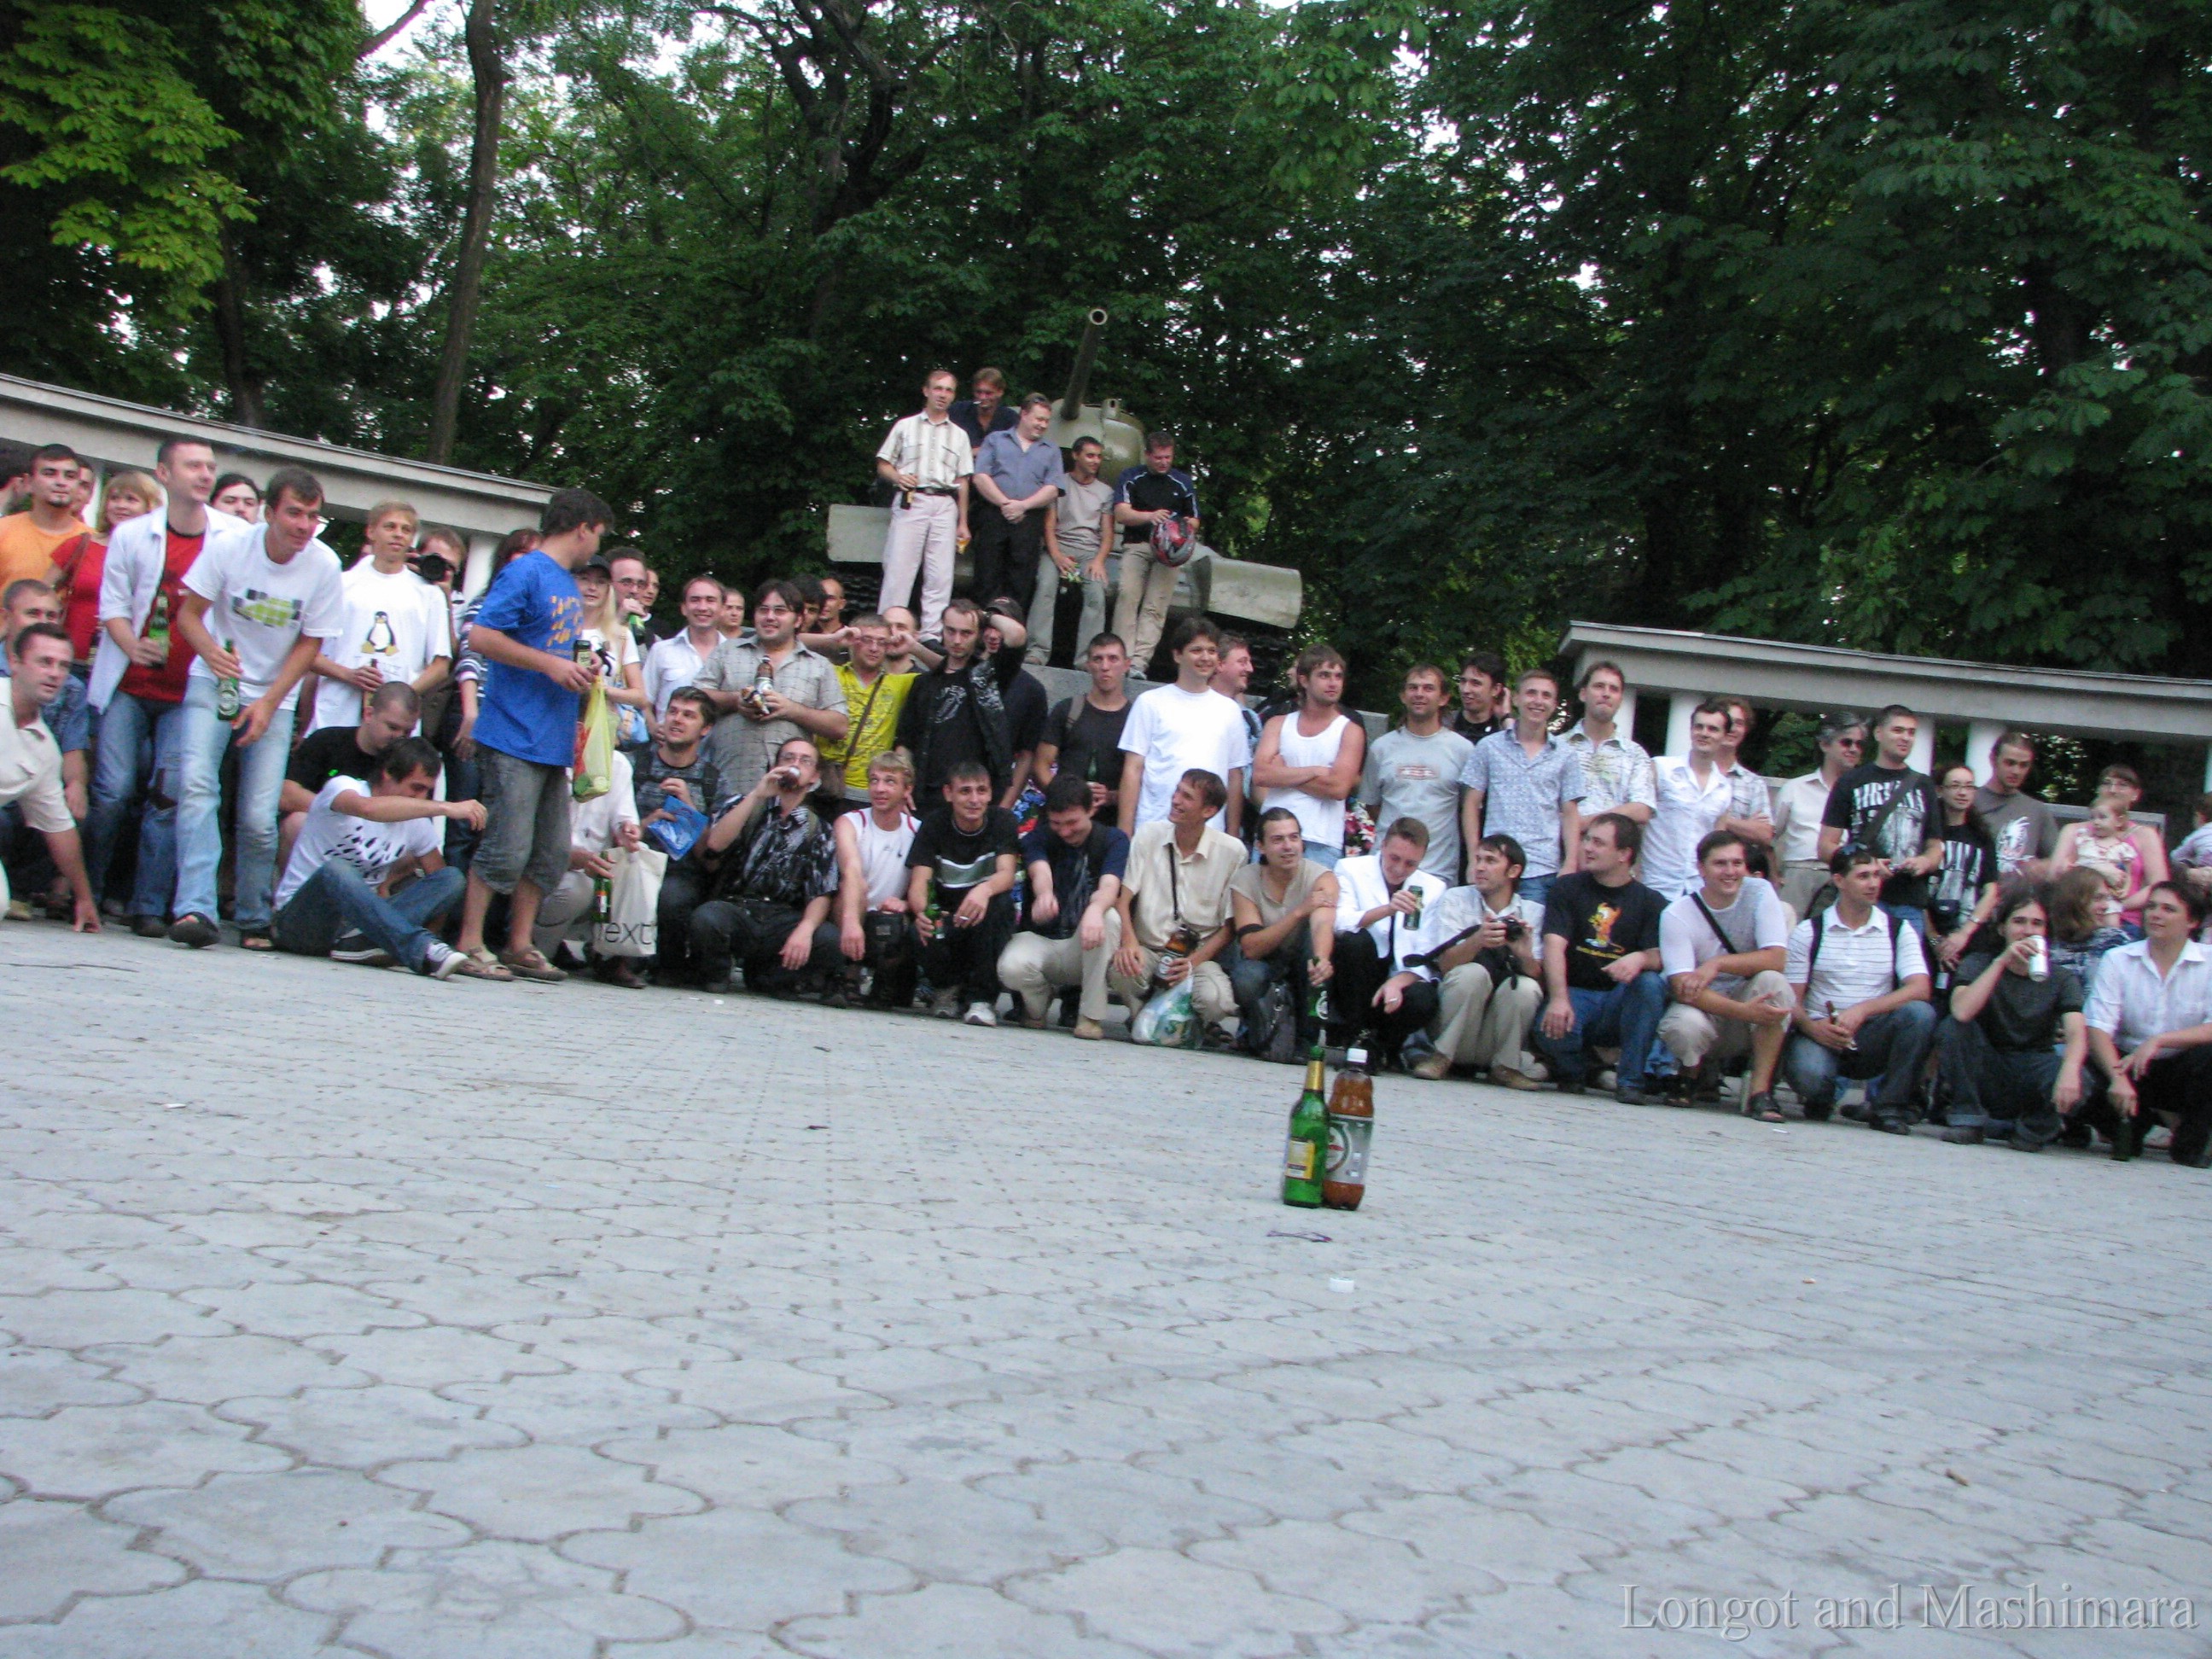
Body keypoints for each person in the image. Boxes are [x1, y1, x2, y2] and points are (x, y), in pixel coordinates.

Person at [168, 467, 347, 951]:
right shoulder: (229, 547)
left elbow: (311, 643)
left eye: (312, 516)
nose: (304, 525)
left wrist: (270, 701)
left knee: (257, 813)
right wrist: (211, 653)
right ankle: (196, 908)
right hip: (215, 682)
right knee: (197, 788)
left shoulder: (324, 565)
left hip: (276, 692)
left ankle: (252, 914)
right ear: (269, 513)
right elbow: (188, 614)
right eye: (294, 513)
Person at [451, 486, 613, 982]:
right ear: (582, 528)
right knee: (506, 845)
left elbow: (553, 649)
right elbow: (481, 636)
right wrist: (549, 664)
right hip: (512, 733)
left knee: (548, 852)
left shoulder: (565, 584)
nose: (597, 546)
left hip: (552, 737)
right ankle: (470, 942)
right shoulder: (524, 571)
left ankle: (520, 944)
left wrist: (581, 668)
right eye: (598, 535)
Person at [84, 438, 244, 930]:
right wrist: (131, 645)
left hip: (190, 689)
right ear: (164, 473)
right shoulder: (133, 534)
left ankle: (148, 906)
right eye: (193, 466)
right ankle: (85, 889)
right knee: (112, 791)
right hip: (129, 684)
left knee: (168, 798)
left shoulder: (233, 535)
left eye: (210, 466)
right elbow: (112, 604)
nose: (205, 474)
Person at [270, 736, 494, 979]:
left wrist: (432, 927)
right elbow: (366, 808)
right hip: (303, 922)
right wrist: (445, 808)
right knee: (337, 869)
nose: (422, 798)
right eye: (416, 788)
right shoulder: (344, 786)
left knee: (451, 878)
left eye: (428, 791)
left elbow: (439, 883)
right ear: (388, 774)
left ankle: (364, 944)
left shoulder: (417, 821)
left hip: (360, 926)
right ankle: (420, 948)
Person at [1781, 845, 1937, 1132]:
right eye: (1863, 876)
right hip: (1822, 1032)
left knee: (1920, 1015)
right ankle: (1821, 1097)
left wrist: (1863, 1010)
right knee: (1810, 1075)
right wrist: (1813, 1028)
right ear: (1839, 880)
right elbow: (1791, 999)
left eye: (1876, 875)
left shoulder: (1898, 930)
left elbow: (1920, 988)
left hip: (1873, 1033)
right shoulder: (1809, 931)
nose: (1874, 884)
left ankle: (1889, 1108)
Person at [1937, 886, 2087, 1150]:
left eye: (2037, 924)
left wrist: (2071, 1070)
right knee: (1953, 1027)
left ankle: (2031, 1131)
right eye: (2019, 921)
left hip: (2033, 1065)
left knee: (2082, 1076)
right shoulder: (1979, 963)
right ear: (2002, 928)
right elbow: (1961, 1011)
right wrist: (2001, 963)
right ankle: (1968, 1120)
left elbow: (2076, 1031)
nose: (2028, 930)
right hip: (1988, 1065)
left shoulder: (2062, 978)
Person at [1656, 830, 1793, 1117]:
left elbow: (1776, 958)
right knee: (1683, 1026)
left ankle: (1760, 1091)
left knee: (1774, 983)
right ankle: (1690, 1072)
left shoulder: (1760, 892)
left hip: (1746, 998)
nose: (1730, 872)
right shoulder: (1677, 914)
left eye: (1737, 863)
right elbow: (1682, 988)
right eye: (1720, 864)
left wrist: (1717, 964)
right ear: (1701, 869)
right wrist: (1743, 1011)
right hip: (1707, 1007)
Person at [687, 736, 838, 995]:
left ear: (814, 777)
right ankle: (716, 973)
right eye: (788, 758)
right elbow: (715, 844)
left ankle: (769, 976)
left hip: (783, 916)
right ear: (775, 766)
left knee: (828, 939)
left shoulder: (820, 829)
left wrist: (805, 929)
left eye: (805, 761)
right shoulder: (745, 804)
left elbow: (822, 891)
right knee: (707, 918)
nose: (795, 764)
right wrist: (757, 794)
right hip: (738, 907)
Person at [1533, 813, 1668, 1103]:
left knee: (1650, 984)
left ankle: (1630, 1081)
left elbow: (1660, 957)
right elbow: (1553, 945)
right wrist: (1558, 999)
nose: (1587, 848)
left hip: (1619, 999)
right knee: (1549, 1027)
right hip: (1575, 993)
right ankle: (1577, 1071)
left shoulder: (1650, 902)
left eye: (1598, 843)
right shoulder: (1567, 888)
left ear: (1624, 854)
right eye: (1587, 840)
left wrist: (1640, 959)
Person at [2082, 881, 2212, 1165]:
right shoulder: (2118, 959)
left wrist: (2159, 1040)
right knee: (2084, 1065)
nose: (2155, 914)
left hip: (2183, 1069)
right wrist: (2117, 1078)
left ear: (2192, 921)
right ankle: (2130, 1126)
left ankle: (2191, 1142)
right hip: (2129, 1065)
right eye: (2151, 907)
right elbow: (2098, 1027)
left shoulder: (2209, 963)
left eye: (2168, 909)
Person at [1109, 768, 1243, 1038]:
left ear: (1209, 811)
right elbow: (1123, 898)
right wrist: (1129, 941)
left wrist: (1192, 963)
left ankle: (1187, 1021)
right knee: (1122, 970)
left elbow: (1230, 926)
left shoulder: (1232, 852)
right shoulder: (1149, 834)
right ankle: (1142, 1015)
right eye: (1177, 791)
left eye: (1187, 797)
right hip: (1149, 947)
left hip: (1197, 955)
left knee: (1218, 1002)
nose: (1176, 800)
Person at [998, 773, 1129, 1033]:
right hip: (1043, 940)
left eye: (1072, 822)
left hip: (1085, 944)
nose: (1065, 832)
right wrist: (1045, 895)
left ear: (1091, 810)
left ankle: (1090, 1016)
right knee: (1010, 967)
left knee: (1109, 917)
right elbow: (1040, 871)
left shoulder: (1114, 840)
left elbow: (1110, 886)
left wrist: (1095, 909)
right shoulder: (1037, 837)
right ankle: (1037, 1003)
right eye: (1057, 823)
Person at [696, 579, 847, 804]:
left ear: (798, 619)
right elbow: (696, 697)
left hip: (788, 790)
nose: (770, 617)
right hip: (727, 780)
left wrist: (792, 710)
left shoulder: (818, 665)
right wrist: (736, 700)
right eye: (763, 610)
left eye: (780, 611)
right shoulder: (728, 651)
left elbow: (840, 726)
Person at [307, 500, 451, 734]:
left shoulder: (429, 594)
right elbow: (310, 653)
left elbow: (440, 665)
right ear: (371, 531)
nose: (398, 534)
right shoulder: (342, 584)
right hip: (338, 713)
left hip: (396, 723)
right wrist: (349, 674)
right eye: (390, 526)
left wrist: (399, 696)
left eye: (406, 530)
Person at [1412, 833, 1545, 1086]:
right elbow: (1444, 966)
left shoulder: (1533, 912)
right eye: (1478, 859)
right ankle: (1441, 1057)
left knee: (1526, 987)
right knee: (1472, 973)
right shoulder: (1455, 898)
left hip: (1493, 1035)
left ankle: (1506, 1067)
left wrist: (1524, 955)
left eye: (1491, 861)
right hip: (1454, 1028)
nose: (1480, 867)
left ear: (1513, 871)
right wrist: (1477, 940)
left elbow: (1540, 980)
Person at [908, 759, 1022, 1023]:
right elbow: (919, 883)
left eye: (981, 791)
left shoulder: (1002, 821)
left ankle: (982, 1000)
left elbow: (1006, 874)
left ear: (990, 794)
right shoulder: (934, 824)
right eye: (965, 791)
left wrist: (984, 890)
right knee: (919, 929)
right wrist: (923, 912)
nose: (974, 800)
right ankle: (947, 990)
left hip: (984, 918)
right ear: (948, 793)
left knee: (1001, 905)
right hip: (948, 917)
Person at [1458, 667, 1583, 908]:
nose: (1538, 701)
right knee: (1487, 930)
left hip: (1541, 869)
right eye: (1531, 693)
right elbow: (1471, 804)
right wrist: (1475, 857)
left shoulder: (1566, 755)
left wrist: (1570, 863)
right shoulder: (1489, 747)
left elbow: (1570, 813)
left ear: (1554, 704)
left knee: (1528, 932)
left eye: (1546, 695)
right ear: (1516, 698)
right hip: (1494, 865)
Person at [0, 624, 97, 930]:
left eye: (63, 666)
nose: (55, 674)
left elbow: (60, 830)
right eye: (45, 662)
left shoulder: (44, 750)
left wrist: (84, 898)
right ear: (14, 662)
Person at [1329, 817, 1450, 1063]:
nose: (1399, 869)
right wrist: (1387, 910)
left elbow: (1428, 952)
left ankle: (1385, 1045)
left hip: (1400, 972)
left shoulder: (1433, 888)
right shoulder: (1350, 869)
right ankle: (1357, 1036)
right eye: (1394, 858)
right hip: (1360, 970)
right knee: (1355, 943)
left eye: (1410, 863)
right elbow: (1340, 922)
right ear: (1382, 846)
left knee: (1423, 998)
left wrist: (1398, 982)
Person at [1116, 618, 1251, 837]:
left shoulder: (1230, 710)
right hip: (1154, 828)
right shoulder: (1150, 702)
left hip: (1210, 834)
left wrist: (1233, 833)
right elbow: (1133, 769)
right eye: (1196, 650)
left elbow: (1235, 776)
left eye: (1212, 651)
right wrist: (1124, 832)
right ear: (1177, 655)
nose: (1205, 657)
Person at [527, 746, 649, 987]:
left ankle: (611, 955)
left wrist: (627, 832)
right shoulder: (549, 755)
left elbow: (625, 818)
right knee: (577, 888)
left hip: (596, 867)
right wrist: (569, 857)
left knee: (636, 857)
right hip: (549, 874)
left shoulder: (617, 763)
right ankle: (538, 951)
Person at [1818, 704, 1943, 932]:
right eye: (1898, 730)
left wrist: (1925, 862)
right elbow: (1826, 846)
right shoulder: (1851, 781)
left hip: (1909, 900)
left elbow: (1935, 847)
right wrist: (1868, 865)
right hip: (1860, 900)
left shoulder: (1924, 785)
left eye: (1911, 732)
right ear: (1878, 733)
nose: (1905, 738)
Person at [1227, 806, 1340, 1056]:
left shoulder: (1322, 877)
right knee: (1246, 977)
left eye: (1294, 837)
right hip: (1265, 960)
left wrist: (1321, 959)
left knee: (1316, 955)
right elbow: (1251, 947)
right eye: (1278, 840)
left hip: (1301, 958)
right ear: (1261, 846)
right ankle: (1254, 1030)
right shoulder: (1246, 879)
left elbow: (1323, 924)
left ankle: (1307, 1040)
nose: (1288, 847)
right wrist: (1298, 912)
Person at [893, 596, 1030, 800]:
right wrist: (903, 784)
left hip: (972, 795)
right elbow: (905, 742)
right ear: (942, 631)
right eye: (951, 631)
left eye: (966, 633)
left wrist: (982, 616)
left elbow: (1017, 635)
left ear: (978, 635)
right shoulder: (923, 683)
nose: (957, 640)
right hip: (926, 794)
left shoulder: (987, 677)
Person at [279, 682, 422, 869]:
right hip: (323, 834)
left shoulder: (408, 763)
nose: (399, 737)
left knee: (416, 846)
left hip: (376, 844)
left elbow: (418, 814)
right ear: (368, 714)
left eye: (407, 732)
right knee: (295, 823)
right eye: (392, 727)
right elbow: (287, 795)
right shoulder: (327, 741)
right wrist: (348, 813)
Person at [876, 368, 974, 638]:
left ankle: (932, 635)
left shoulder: (960, 435)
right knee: (899, 570)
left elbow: (963, 481)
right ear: (926, 391)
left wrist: (963, 522)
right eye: (938, 388)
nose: (943, 394)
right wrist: (898, 477)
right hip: (912, 499)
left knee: (940, 575)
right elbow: (883, 463)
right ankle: (887, 630)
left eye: (949, 390)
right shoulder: (905, 426)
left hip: (945, 503)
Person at [634, 687, 721, 984]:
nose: (677, 720)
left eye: (688, 715)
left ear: (705, 729)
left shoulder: (713, 781)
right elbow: (611, 831)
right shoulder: (635, 765)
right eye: (672, 711)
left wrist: (690, 811)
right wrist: (645, 824)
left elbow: (711, 859)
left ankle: (670, 965)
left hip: (682, 872)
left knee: (672, 897)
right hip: (634, 862)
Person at [1251, 645, 1365, 870]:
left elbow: (1338, 788)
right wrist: (1315, 771)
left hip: (1321, 841)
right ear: (1304, 680)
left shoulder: (1350, 730)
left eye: (1338, 676)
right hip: (1273, 834)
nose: (1333, 683)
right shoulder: (1278, 724)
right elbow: (1261, 775)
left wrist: (1283, 773)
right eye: (1324, 675)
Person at [824, 750, 921, 1009]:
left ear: (907, 789)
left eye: (890, 782)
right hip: (849, 909)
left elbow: (924, 885)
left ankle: (886, 981)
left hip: (889, 917)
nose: (880, 789)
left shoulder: (917, 831)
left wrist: (906, 904)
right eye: (874, 781)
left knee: (903, 917)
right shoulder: (850, 822)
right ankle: (847, 976)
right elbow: (851, 871)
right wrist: (851, 923)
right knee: (855, 888)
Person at [1361, 664, 1474, 883]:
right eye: (1413, 688)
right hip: (1386, 869)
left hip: (1437, 871)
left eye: (1428, 688)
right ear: (1403, 696)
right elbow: (1372, 805)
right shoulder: (1381, 748)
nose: (1419, 694)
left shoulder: (1463, 750)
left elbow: (1468, 809)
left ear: (1443, 698)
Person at [46, 469, 159, 671]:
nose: (121, 505)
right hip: (68, 661)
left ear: (149, 507)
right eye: (114, 498)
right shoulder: (80, 545)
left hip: (124, 663)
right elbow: (41, 594)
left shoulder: (157, 555)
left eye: (131, 499)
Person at [969, 393, 1066, 621]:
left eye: (1046, 421)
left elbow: (1053, 487)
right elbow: (980, 476)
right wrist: (1005, 503)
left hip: (1029, 520)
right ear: (1023, 414)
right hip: (993, 515)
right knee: (986, 575)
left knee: (1021, 580)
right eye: (1038, 419)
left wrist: (1023, 506)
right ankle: (984, 629)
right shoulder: (995, 440)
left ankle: (1011, 630)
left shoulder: (1051, 450)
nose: (1043, 425)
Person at [1110, 433, 1201, 673]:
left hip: (1170, 552)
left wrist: (1178, 528)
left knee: (1156, 606)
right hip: (1138, 544)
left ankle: (1139, 662)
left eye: (1168, 457)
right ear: (1147, 455)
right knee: (1127, 597)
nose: (1163, 462)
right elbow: (1121, 513)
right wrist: (1150, 517)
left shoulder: (1182, 482)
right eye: (1158, 457)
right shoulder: (1131, 477)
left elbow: (1194, 519)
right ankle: (1122, 657)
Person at [1031, 434, 1117, 667]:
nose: (1095, 461)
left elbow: (1108, 533)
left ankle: (1088, 659)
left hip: (1089, 552)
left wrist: (1099, 561)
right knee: (1045, 585)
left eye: (1099, 456)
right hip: (1058, 547)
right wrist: (1057, 556)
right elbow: (1049, 525)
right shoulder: (1058, 483)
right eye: (1090, 455)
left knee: (1096, 595)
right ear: (1075, 456)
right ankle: (1037, 650)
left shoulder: (1105, 492)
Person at [1771, 713, 1866, 915]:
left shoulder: (1863, 794)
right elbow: (1769, 837)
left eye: (1859, 744)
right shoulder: (1795, 788)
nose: (1854, 749)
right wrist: (1773, 874)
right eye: (1846, 742)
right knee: (1788, 930)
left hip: (1842, 876)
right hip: (1797, 874)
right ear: (1824, 744)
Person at [1640, 701, 1736, 900]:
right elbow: (1639, 821)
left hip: (1697, 888)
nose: (1704, 733)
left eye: (1713, 729)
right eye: (1699, 727)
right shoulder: (1661, 769)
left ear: (1725, 736)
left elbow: (1717, 844)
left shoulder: (1724, 788)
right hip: (1655, 882)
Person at [818, 612, 915, 801]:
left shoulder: (899, 683)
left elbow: (951, 671)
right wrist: (834, 639)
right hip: (825, 781)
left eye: (882, 642)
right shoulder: (829, 672)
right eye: (866, 640)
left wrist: (914, 648)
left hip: (867, 790)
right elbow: (792, 643)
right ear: (853, 640)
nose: (874, 648)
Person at [1033, 632, 1132, 818]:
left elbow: (1144, 778)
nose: (1105, 667)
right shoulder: (1067, 710)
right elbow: (1040, 766)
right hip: (1062, 821)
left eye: (1113, 659)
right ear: (1088, 665)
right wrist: (1066, 798)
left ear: (1127, 665)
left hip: (1110, 824)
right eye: (1098, 659)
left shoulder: (1136, 718)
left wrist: (1112, 797)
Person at [2055, 791, 2168, 931]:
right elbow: (2069, 866)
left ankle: (2113, 936)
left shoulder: (2122, 847)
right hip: (2085, 900)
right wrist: (2069, 865)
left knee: (2112, 924)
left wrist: (2124, 891)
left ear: (2119, 821)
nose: (2096, 822)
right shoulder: (2085, 841)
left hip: (2115, 899)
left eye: (2102, 817)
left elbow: (2128, 874)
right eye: (2093, 817)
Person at [1927, 764, 2000, 981]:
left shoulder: (1982, 836)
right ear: (1940, 790)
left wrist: (1964, 934)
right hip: (1928, 933)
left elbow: (1991, 891)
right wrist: (1934, 939)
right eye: (1955, 786)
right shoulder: (1928, 833)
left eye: (1969, 786)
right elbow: (1916, 892)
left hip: (1970, 935)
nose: (1962, 792)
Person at [1561, 661, 1654, 826]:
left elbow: (1642, 809)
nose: (1606, 693)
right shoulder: (1557, 746)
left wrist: (1584, 823)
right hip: (1559, 840)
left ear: (1620, 700)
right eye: (1599, 686)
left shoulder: (1635, 754)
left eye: (1614, 689)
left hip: (1611, 842)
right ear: (1583, 694)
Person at [573, 551, 650, 748]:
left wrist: (601, 689)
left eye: (600, 582)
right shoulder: (557, 630)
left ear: (609, 588)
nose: (592, 588)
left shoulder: (621, 635)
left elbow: (640, 696)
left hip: (601, 732)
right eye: (584, 579)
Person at [1975, 730, 2060, 880]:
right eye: (2010, 763)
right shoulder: (1969, 801)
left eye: (2024, 765)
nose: (2016, 771)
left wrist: (2041, 866)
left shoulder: (2037, 810)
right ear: (1993, 760)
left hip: (2019, 891)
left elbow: (2059, 859)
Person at [0, 445, 87, 591]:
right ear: (28, 482)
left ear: (79, 485)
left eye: (70, 476)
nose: (61, 482)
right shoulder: (3, 531)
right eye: (49, 474)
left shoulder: (92, 541)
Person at [643, 576, 725, 719]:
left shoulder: (735, 654)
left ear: (722, 608)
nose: (702, 607)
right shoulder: (661, 651)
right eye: (695, 600)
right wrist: (653, 727)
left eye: (710, 600)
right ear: (683, 608)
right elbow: (643, 702)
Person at [2044, 865, 2129, 997]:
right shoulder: (2052, 951)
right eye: (2098, 898)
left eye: (2106, 898)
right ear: (2075, 901)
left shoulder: (2115, 942)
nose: (2106, 906)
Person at [1713, 699, 1777, 849]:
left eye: (1739, 723)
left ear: (1746, 730)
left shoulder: (1754, 783)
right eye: (1727, 721)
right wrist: (1744, 825)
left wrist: (1718, 818)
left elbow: (1764, 834)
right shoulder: (1691, 772)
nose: (1732, 728)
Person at [949, 366, 1018, 451]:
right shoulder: (958, 411)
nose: (982, 397)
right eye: (978, 392)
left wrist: (978, 451)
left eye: (988, 393)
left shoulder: (1010, 418)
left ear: (1000, 392)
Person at [1452, 650, 1509, 743]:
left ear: (1496, 689)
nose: (1465, 690)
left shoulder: (1505, 731)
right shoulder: (1443, 724)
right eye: (1463, 681)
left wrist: (1506, 717)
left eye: (1476, 683)